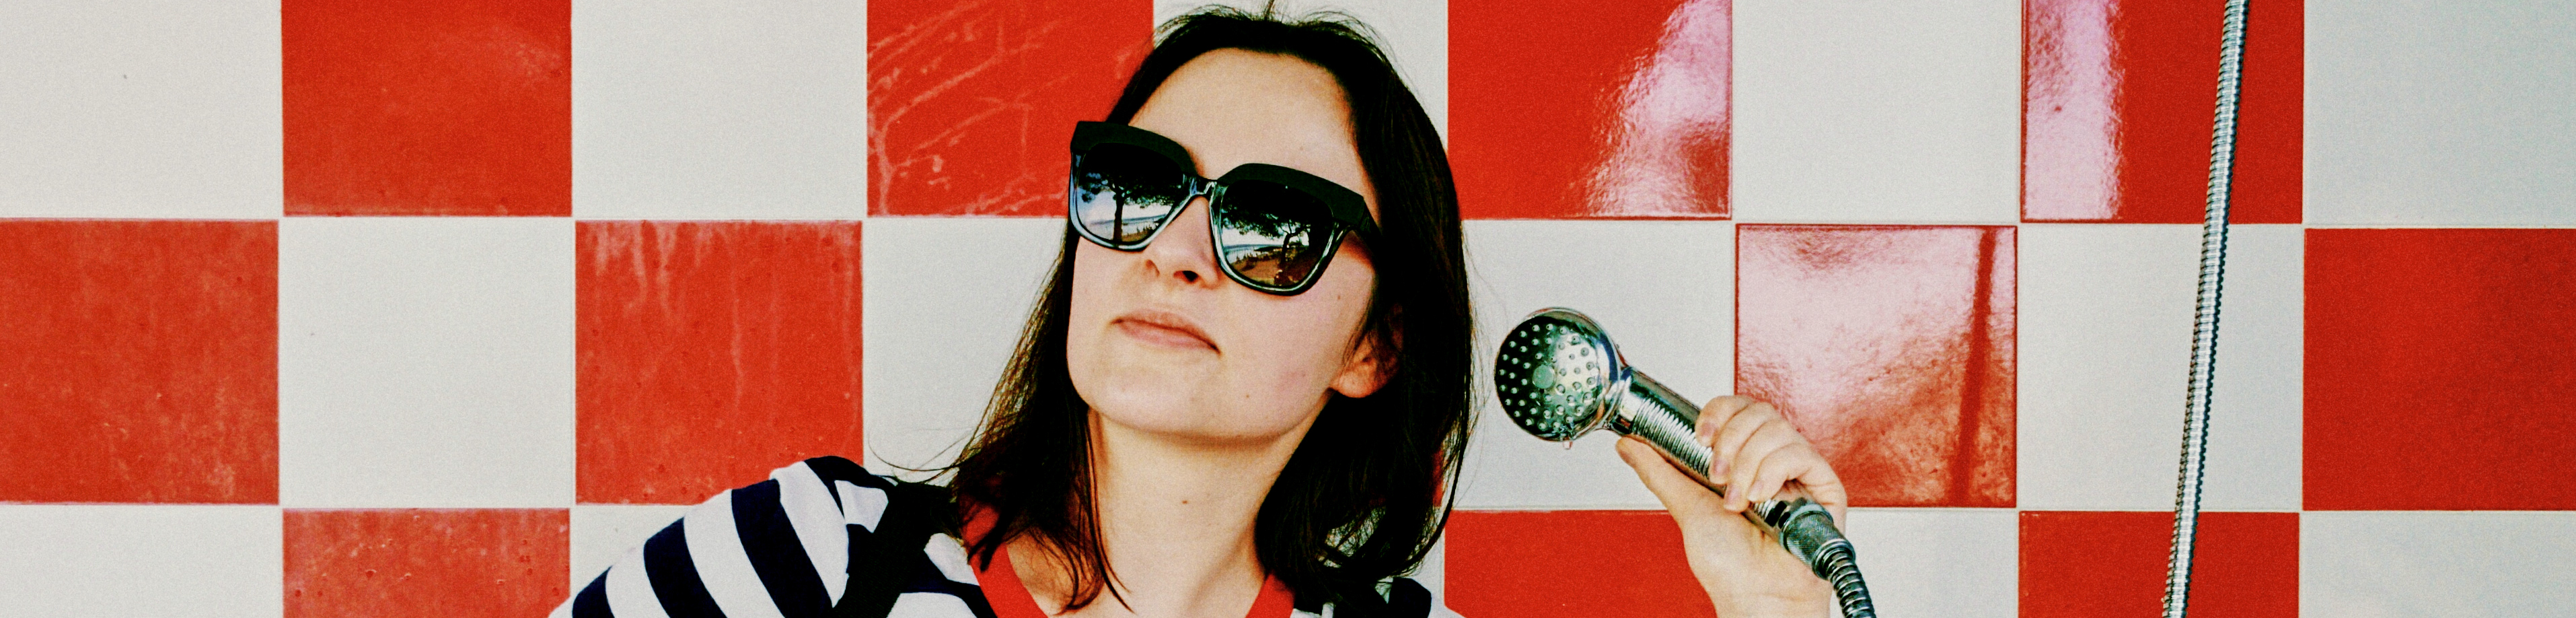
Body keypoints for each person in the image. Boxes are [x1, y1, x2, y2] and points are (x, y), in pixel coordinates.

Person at [560, 7, 1848, 618]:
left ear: (1377, 345)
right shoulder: (810, 562)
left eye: (1271, 225)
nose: (1177, 252)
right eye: (1137, 184)